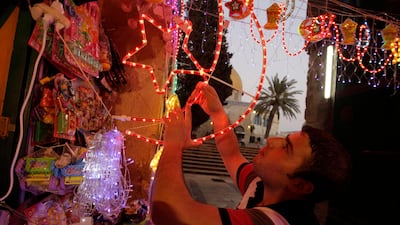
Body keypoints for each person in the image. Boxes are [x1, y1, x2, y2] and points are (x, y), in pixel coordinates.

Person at [150, 82, 351, 225]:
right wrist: (218, 114)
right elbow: (232, 155)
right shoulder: (261, 187)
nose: (272, 141)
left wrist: (173, 145)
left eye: (286, 148)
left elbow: (171, 213)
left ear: (300, 185)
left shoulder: (275, 220)